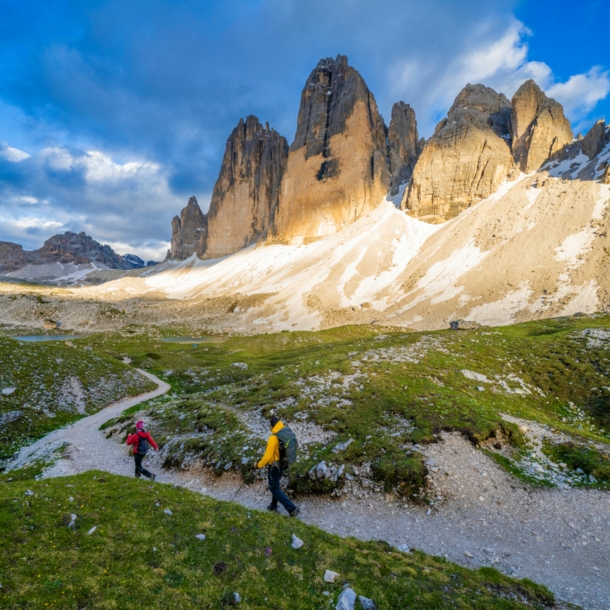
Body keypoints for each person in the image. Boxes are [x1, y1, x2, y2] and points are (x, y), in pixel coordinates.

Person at [254, 416, 300, 517]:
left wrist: (258, 465)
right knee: (275, 486)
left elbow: (267, 456)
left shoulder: (273, 438)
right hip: (284, 464)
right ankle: (273, 506)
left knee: (274, 488)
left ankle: (292, 509)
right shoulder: (286, 431)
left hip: (274, 466)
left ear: (271, 426)